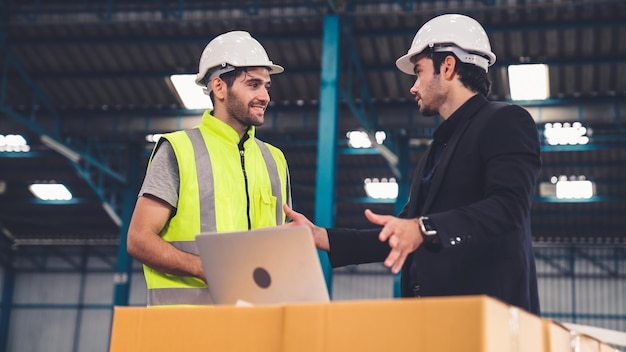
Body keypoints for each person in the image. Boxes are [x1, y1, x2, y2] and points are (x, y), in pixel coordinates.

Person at [284, 14, 541, 315]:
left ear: (448, 66)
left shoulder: (505, 121)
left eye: (418, 72)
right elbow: (400, 232)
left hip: (489, 323)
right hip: (434, 323)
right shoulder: (436, 150)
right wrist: (321, 237)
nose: (413, 87)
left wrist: (424, 228)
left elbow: (509, 207)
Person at [127, 31, 291, 306]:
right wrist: (202, 268)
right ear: (219, 87)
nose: (264, 96)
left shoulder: (274, 160)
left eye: (266, 86)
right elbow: (139, 239)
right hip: (186, 329)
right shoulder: (179, 150)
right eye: (253, 84)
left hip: (254, 327)